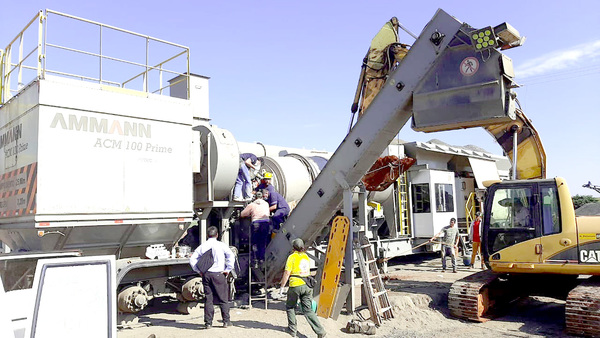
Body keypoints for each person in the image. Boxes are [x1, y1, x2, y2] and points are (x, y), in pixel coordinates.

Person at [278, 238, 326, 338]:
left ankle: (292, 330)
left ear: (293, 247)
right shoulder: (306, 256)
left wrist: (282, 287)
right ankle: (320, 331)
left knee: (290, 307)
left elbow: (287, 273)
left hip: (295, 285)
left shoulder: (292, 257)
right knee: (308, 310)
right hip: (307, 286)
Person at [189, 226, 235, 329]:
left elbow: (192, 259)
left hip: (206, 274)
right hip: (219, 274)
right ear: (217, 235)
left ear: (207, 235)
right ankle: (226, 321)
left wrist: (198, 270)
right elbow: (230, 256)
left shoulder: (203, 246)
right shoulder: (221, 245)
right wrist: (228, 269)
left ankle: (208, 323)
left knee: (208, 299)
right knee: (223, 299)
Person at [240, 191, 271, 263]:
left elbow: (242, 214)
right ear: (262, 197)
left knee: (255, 242)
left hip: (256, 223)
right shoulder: (266, 204)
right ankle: (262, 258)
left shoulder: (252, 205)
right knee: (262, 242)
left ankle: (255, 259)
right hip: (265, 223)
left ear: (255, 197)